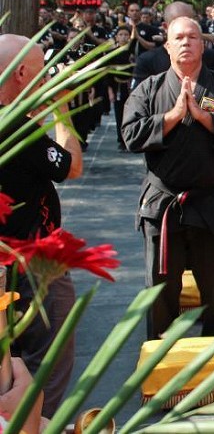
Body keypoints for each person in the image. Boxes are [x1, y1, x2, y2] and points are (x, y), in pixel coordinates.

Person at [122, 17, 214, 340]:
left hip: (210, 203)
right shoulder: (149, 89)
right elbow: (129, 134)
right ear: (167, 46)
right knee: (159, 290)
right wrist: (172, 117)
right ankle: (161, 359)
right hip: (162, 204)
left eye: (192, 37)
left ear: (203, 44)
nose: (186, 43)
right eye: (178, 38)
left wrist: (203, 117)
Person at [0, 34, 82, 417]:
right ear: (21, 75)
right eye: (40, 73)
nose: (46, 80)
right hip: (33, 262)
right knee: (48, 355)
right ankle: (38, 422)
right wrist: (62, 107)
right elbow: (72, 165)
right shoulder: (17, 129)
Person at [131, 2, 214, 89]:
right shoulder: (147, 62)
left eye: (190, 23)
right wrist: (175, 107)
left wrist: (203, 106)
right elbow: (136, 102)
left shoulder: (211, 58)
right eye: (178, 25)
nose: (185, 42)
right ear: (165, 27)